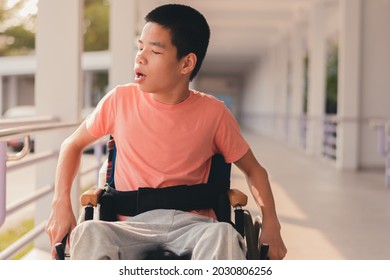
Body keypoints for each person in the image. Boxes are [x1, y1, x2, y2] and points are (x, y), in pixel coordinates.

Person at [45, 3, 287, 260]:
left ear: (186, 64)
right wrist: (60, 204)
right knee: (89, 233)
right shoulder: (119, 101)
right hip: (128, 227)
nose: (140, 57)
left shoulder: (214, 114)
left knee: (225, 236)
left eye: (155, 51)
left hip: (194, 228)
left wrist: (272, 222)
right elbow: (71, 145)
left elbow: (254, 170)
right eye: (140, 47)